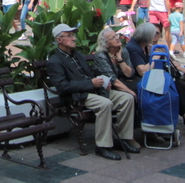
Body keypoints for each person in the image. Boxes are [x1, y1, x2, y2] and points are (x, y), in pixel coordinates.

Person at [46, 22, 136, 160]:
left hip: (94, 90)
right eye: (69, 36)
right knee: (105, 104)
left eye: (73, 35)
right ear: (59, 40)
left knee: (127, 98)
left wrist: (102, 82)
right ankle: (103, 146)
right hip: (77, 95)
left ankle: (123, 138)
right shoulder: (55, 61)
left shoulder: (78, 55)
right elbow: (62, 86)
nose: (74, 38)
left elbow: (90, 73)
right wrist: (90, 83)